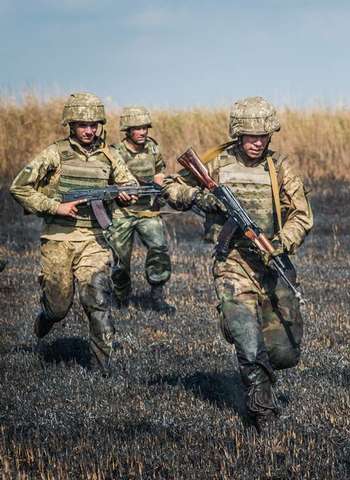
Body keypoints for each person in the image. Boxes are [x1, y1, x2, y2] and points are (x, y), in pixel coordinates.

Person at [164, 96, 313, 429]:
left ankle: (260, 366)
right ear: (237, 134)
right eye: (250, 136)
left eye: (262, 136)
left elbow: (301, 216)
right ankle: (262, 410)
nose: (257, 142)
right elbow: (171, 187)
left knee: (285, 353)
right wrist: (202, 198)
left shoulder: (280, 167)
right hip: (232, 264)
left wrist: (280, 243)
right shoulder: (217, 161)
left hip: (273, 264)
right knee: (248, 339)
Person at [10, 92, 138, 374]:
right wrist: (56, 206)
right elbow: (19, 187)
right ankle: (46, 317)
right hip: (58, 240)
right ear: (71, 125)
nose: (89, 130)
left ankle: (101, 370)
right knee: (59, 306)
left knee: (98, 300)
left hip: (94, 240)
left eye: (94, 124)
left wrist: (126, 193)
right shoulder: (55, 153)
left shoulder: (110, 155)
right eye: (82, 124)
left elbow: (127, 181)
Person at [106, 106, 173, 312]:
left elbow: (160, 169)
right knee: (120, 259)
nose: (143, 132)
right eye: (137, 128)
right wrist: (118, 191)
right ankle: (120, 298)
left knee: (159, 248)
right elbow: (105, 181)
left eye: (145, 127)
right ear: (127, 130)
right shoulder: (115, 152)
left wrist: (159, 180)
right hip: (122, 212)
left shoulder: (152, 148)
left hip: (148, 211)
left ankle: (157, 294)